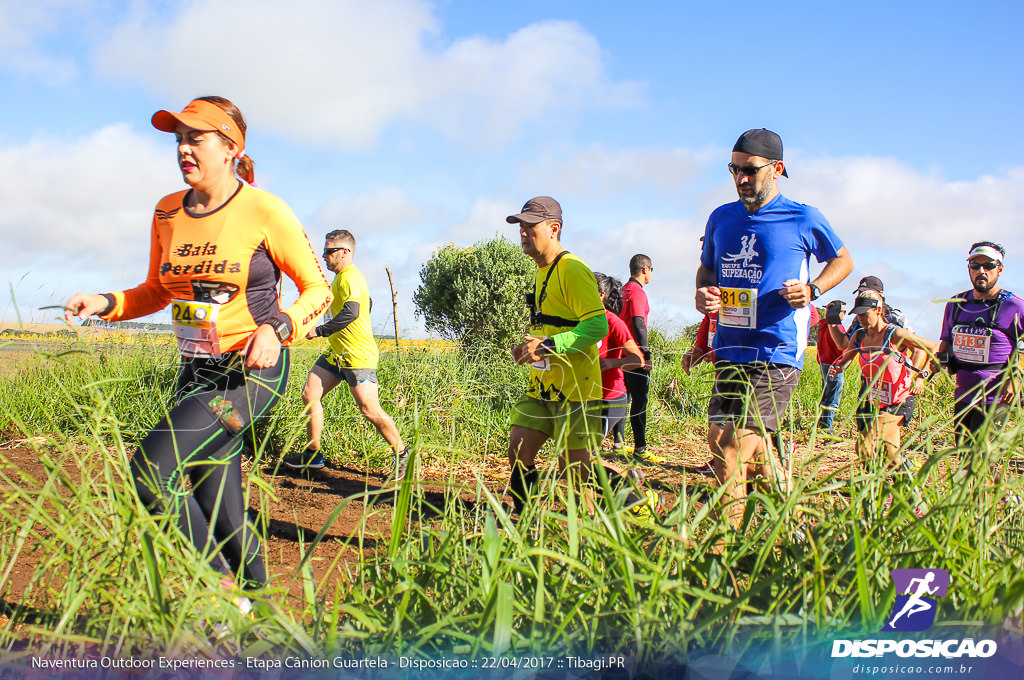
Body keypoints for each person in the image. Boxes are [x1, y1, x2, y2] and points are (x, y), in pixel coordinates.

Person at [63, 97, 332, 598]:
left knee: (150, 474)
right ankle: (259, 615)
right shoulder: (167, 211)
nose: (183, 148)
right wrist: (103, 300)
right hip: (195, 372)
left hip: (248, 376)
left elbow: (319, 289)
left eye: (196, 138)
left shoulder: (265, 210)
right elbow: (157, 289)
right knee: (219, 505)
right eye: (178, 139)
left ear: (231, 147)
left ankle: (217, 591)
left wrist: (277, 328)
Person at [695, 128, 854, 528]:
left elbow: (843, 260)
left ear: (777, 169)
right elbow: (707, 268)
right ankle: (796, 527)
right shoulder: (721, 218)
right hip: (730, 346)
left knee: (733, 445)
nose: (740, 178)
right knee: (735, 445)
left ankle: (724, 547)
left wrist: (812, 288)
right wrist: (703, 293)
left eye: (750, 170)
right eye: (734, 169)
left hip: (776, 349)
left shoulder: (803, 216)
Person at [505, 196, 608, 515]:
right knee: (518, 449)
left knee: (576, 475)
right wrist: (529, 347)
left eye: (529, 226)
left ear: (554, 228)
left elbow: (597, 325)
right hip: (543, 387)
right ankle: (525, 520)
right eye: (521, 226)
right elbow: (555, 324)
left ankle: (626, 509)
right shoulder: (541, 271)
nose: (523, 232)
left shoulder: (573, 269)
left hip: (577, 391)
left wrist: (548, 346)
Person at [283, 229, 411, 479]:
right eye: (324, 251)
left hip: (357, 355)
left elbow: (352, 312)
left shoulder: (350, 277)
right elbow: (363, 305)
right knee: (310, 394)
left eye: (329, 251)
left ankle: (404, 455)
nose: (324, 256)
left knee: (368, 408)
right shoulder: (342, 279)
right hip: (337, 353)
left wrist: (318, 331)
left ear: (345, 252)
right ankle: (313, 454)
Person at [829, 289, 937, 467]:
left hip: (900, 401)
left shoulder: (895, 335)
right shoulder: (860, 336)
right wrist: (839, 366)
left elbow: (933, 347)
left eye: (865, 314)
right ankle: (910, 491)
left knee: (864, 447)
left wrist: (921, 376)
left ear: (878, 310)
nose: (860, 319)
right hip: (878, 401)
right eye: (858, 315)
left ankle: (874, 490)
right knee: (892, 457)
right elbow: (847, 356)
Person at [937, 242, 1024, 444]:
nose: (981, 271)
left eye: (989, 266)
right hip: (963, 396)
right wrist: (938, 364)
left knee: (981, 460)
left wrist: (1015, 378)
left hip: (995, 397)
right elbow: (946, 342)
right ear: (969, 269)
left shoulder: (1014, 306)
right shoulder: (956, 304)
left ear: (1000, 269)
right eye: (975, 266)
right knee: (965, 459)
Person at [613, 254, 656, 462]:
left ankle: (618, 444)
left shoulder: (622, 291)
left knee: (624, 398)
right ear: (645, 269)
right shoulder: (637, 292)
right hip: (634, 354)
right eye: (651, 270)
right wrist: (645, 355)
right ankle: (640, 447)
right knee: (640, 400)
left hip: (619, 353)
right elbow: (639, 323)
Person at [594, 272, 646, 439]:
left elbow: (638, 360)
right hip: (586, 396)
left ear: (601, 295)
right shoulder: (581, 321)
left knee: (585, 449)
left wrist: (611, 363)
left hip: (611, 397)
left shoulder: (613, 322)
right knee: (576, 452)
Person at [816, 299, 848, 432]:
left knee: (826, 395)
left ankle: (821, 424)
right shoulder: (837, 328)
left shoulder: (822, 324)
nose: (844, 315)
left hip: (824, 364)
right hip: (835, 366)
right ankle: (827, 428)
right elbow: (844, 349)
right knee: (833, 398)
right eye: (843, 312)